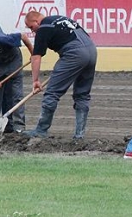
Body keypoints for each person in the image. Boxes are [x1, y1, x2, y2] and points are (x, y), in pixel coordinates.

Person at [24, 11, 97, 140]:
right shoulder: (62, 19)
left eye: (31, 27)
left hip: (74, 54)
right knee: (82, 94)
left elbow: (36, 57)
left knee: (52, 92)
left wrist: (35, 80)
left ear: (36, 21)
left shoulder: (43, 27)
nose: (33, 31)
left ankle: (41, 130)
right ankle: (79, 135)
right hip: (92, 50)